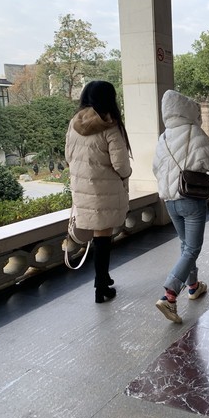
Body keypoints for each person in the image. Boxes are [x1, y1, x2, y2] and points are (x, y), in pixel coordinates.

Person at [152, 90, 209, 323]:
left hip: (170, 201)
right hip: (191, 198)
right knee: (192, 248)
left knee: (185, 246)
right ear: (187, 110)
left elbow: (155, 168)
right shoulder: (194, 132)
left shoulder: (162, 138)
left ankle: (193, 287)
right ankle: (169, 295)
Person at [65, 81, 132, 303]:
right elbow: (121, 165)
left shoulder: (74, 124)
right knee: (103, 238)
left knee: (98, 237)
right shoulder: (110, 126)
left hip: (82, 189)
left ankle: (104, 279)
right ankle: (101, 287)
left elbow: (68, 157)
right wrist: (126, 174)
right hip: (105, 191)